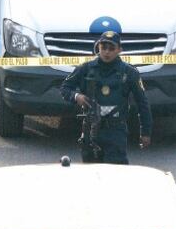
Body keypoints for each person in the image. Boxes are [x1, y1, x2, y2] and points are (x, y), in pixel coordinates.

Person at [60, 29, 152, 164]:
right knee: (91, 174)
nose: (107, 52)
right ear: (98, 47)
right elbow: (65, 88)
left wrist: (145, 132)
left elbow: (142, 103)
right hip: (91, 129)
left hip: (116, 131)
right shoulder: (86, 68)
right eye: (103, 47)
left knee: (116, 173)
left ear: (119, 50)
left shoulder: (129, 72)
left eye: (111, 48)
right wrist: (76, 96)